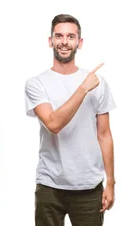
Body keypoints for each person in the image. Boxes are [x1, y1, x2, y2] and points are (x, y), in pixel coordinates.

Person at [25, 14, 115, 226]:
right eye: (59, 36)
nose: (64, 41)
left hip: (89, 186)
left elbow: (104, 135)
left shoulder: (99, 84)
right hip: (50, 185)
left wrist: (110, 182)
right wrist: (83, 88)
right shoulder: (36, 84)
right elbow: (53, 124)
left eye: (71, 36)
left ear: (79, 42)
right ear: (50, 41)